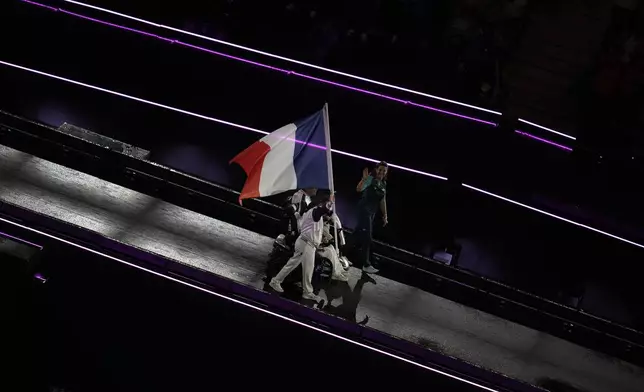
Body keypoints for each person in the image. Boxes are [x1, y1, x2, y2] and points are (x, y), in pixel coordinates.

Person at [270, 194, 335, 301]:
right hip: (306, 244)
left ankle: (276, 281)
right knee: (307, 269)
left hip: (306, 243)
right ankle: (307, 292)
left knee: (293, 265)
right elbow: (321, 211)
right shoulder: (314, 212)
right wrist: (330, 202)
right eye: (324, 204)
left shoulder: (314, 214)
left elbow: (326, 213)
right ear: (320, 204)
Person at [354, 161, 389, 274]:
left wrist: (385, 216)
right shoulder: (370, 179)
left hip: (372, 213)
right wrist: (364, 179)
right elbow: (358, 189)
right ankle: (366, 264)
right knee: (367, 238)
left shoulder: (383, 184)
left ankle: (340, 253)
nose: (382, 172)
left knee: (356, 235)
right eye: (380, 169)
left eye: (384, 170)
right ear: (376, 169)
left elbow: (382, 201)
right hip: (364, 210)